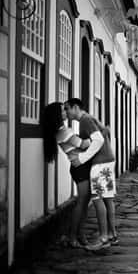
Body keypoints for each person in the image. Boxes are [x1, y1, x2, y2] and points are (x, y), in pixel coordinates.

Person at [65, 98, 118, 251]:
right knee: (108, 199)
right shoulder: (90, 118)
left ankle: (103, 238)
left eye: (67, 109)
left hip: (100, 162)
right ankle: (112, 235)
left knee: (97, 198)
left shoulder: (85, 120)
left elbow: (98, 140)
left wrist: (82, 158)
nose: (66, 112)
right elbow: (102, 135)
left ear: (76, 107)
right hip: (108, 159)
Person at [42, 102, 92, 248]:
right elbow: (83, 144)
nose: (66, 112)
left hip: (81, 166)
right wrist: (98, 136)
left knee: (85, 202)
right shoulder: (63, 131)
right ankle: (72, 237)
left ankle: (80, 234)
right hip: (80, 168)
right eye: (63, 110)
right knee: (82, 203)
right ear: (57, 115)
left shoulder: (62, 130)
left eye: (66, 109)